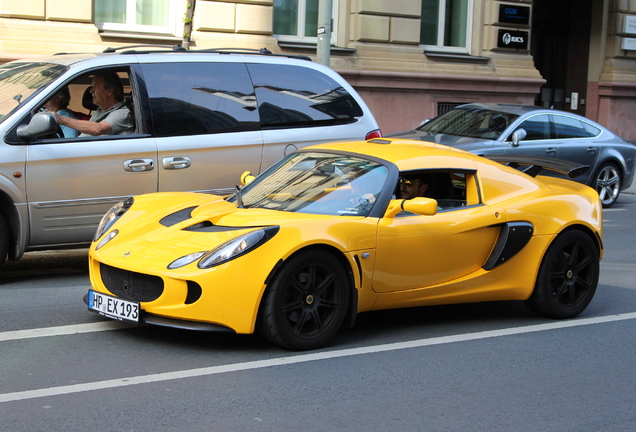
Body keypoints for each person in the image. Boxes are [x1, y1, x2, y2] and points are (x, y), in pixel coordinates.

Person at [54, 72, 134, 137]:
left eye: (95, 87)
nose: (91, 91)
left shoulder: (122, 113)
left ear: (109, 91)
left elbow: (98, 129)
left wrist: (60, 119)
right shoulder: (99, 112)